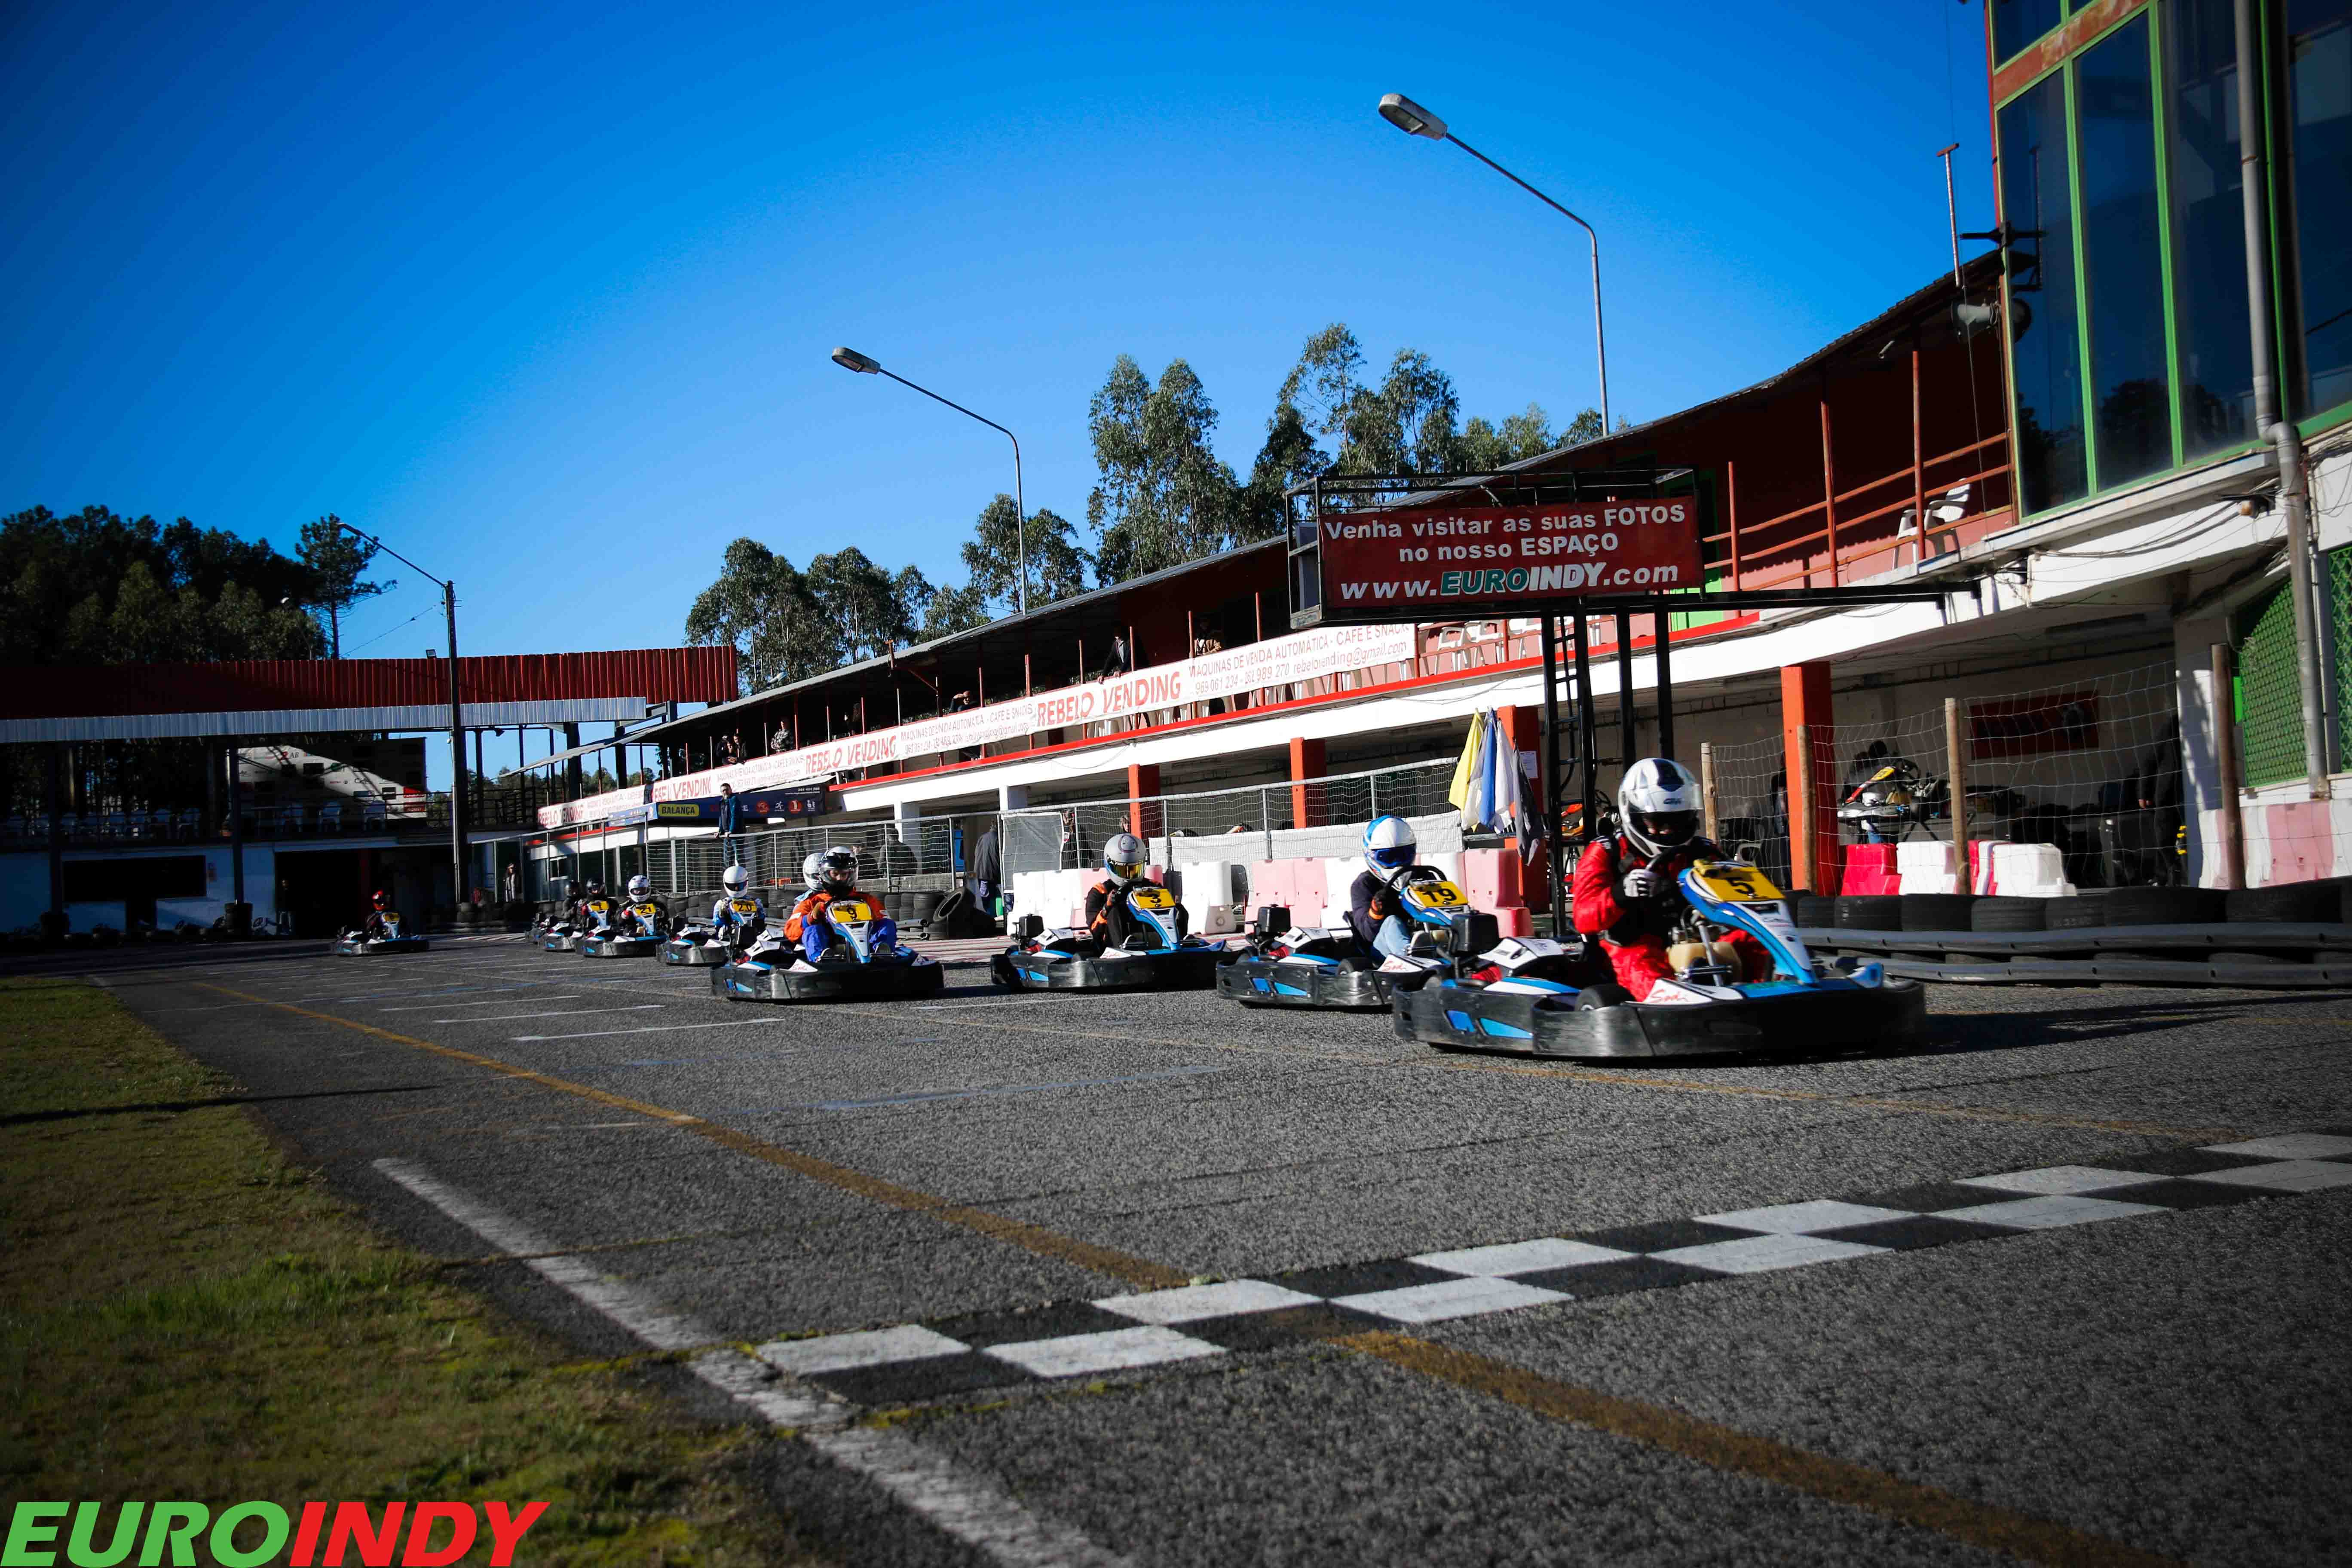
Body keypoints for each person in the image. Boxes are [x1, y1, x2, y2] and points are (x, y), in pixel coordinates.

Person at [1571, 758, 1771, 1001]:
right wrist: (1621, 893)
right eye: (1657, 822)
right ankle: (1682, 1008)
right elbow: (1583, 919)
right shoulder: (1607, 851)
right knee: (1647, 971)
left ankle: (1773, 994)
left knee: (1754, 942)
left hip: (1695, 938)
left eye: (1677, 821)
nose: (1668, 830)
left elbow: (1739, 898)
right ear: (1634, 815)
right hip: (1631, 948)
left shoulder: (1703, 850)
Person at [784, 846, 895, 960]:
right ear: (826, 874)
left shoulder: (866, 899)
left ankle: (883, 954)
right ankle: (822, 958)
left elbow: (884, 920)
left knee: (887, 924)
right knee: (812, 930)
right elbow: (790, 931)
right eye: (835, 874)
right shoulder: (813, 902)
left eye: (844, 874)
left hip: (864, 943)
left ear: (851, 874)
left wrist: (873, 915)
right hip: (830, 945)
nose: (840, 879)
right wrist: (810, 918)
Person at [1348, 815, 1436, 959]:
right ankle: (1413, 956)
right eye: (1389, 858)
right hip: (1381, 950)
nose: (1398, 863)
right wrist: (1376, 912)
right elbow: (1367, 935)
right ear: (1372, 856)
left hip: (1422, 936)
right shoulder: (1364, 885)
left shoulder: (1425, 876)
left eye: (1403, 855)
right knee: (1392, 922)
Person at [1084, 832, 1185, 946]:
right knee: (1115, 912)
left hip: (1152, 938)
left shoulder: (1153, 886)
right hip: (1111, 946)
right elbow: (1095, 931)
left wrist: (1173, 906)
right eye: (1124, 871)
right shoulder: (1100, 891)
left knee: (1180, 911)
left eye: (1135, 869)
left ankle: (1177, 943)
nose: (1130, 875)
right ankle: (1124, 947)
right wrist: (1107, 908)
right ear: (1110, 865)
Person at [710, 864, 765, 950]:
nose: (736, 889)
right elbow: (718, 923)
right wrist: (723, 913)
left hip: (754, 936)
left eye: (740, 886)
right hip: (729, 938)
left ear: (746, 883)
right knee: (722, 930)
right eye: (733, 887)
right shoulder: (722, 904)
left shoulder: (756, 902)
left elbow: (762, 920)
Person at [618, 874, 668, 938]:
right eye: (637, 890)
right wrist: (624, 915)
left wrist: (661, 914)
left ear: (648, 889)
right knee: (627, 931)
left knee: (664, 929)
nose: (639, 892)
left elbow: (666, 917)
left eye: (642, 890)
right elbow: (618, 921)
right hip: (634, 931)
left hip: (656, 930)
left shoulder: (656, 904)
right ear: (631, 890)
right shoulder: (627, 905)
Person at [969, 824, 1002, 913]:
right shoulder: (998, 839)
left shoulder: (982, 838)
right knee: (1003, 895)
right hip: (995, 872)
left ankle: (985, 915)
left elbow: (976, 853)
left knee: (984, 896)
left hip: (982, 872)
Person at [714, 782, 742, 864]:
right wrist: (720, 831)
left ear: (731, 790)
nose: (725, 792)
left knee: (739, 858)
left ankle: (742, 872)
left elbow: (735, 816)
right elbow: (721, 817)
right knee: (727, 859)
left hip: (736, 834)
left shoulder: (734, 799)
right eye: (723, 791)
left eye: (727, 790)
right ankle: (728, 872)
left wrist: (731, 831)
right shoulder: (721, 802)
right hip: (726, 835)